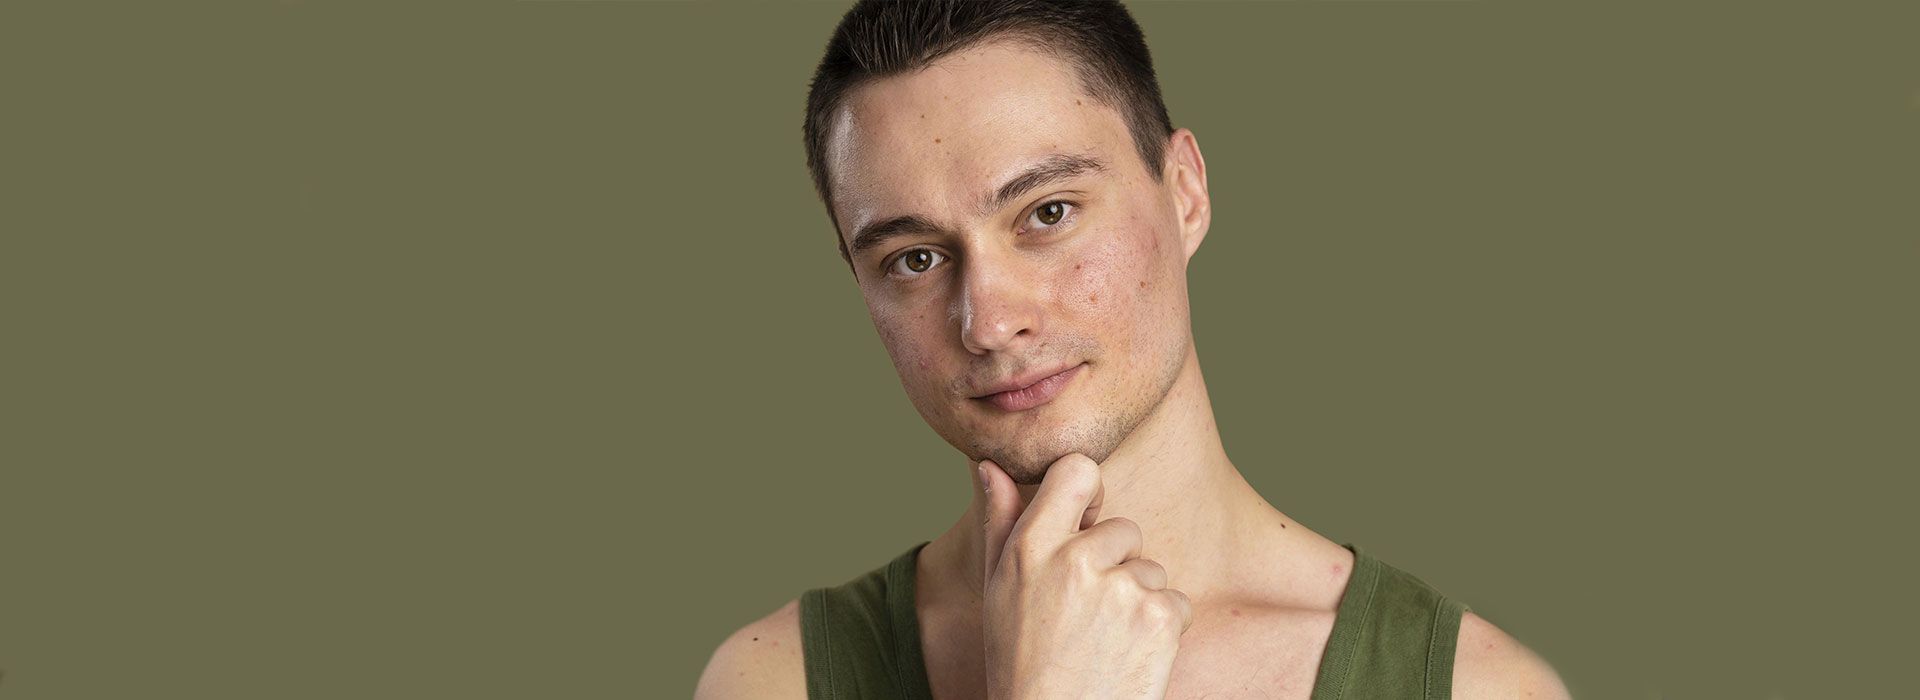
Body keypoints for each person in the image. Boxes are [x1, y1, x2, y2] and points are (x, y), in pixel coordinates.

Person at [697, 1, 1570, 697]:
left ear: (1184, 192)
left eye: (1048, 214)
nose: (990, 322)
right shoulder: (776, 680)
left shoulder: (1470, 687)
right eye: (914, 259)